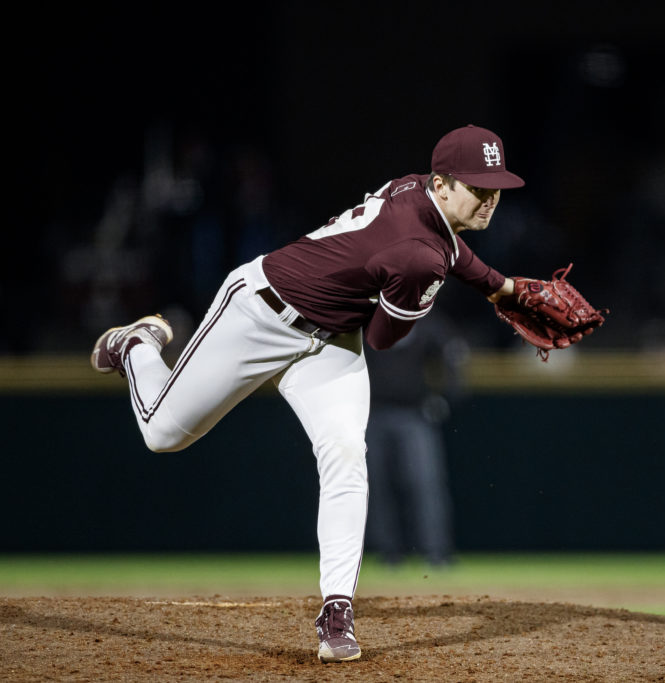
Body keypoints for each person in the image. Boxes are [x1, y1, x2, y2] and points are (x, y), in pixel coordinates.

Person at [89, 124, 524, 663]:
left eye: (496, 187)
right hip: (261, 312)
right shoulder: (418, 255)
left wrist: (503, 288)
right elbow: (385, 337)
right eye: (477, 188)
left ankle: (336, 611)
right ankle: (137, 345)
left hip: (328, 338)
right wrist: (432, 291)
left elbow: (451, 250)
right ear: (441, 184)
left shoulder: (416, 195)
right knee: (161, 434)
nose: (490, 199)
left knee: (345, 455)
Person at [363, 311, 465, 567]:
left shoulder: (427, 322)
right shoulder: (365, 319)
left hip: (414, 414)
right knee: (376, 487)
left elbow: (452, 356)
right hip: (372, 414)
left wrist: (446, 395)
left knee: (425, 484)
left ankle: (437, 552)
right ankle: (388, 552)